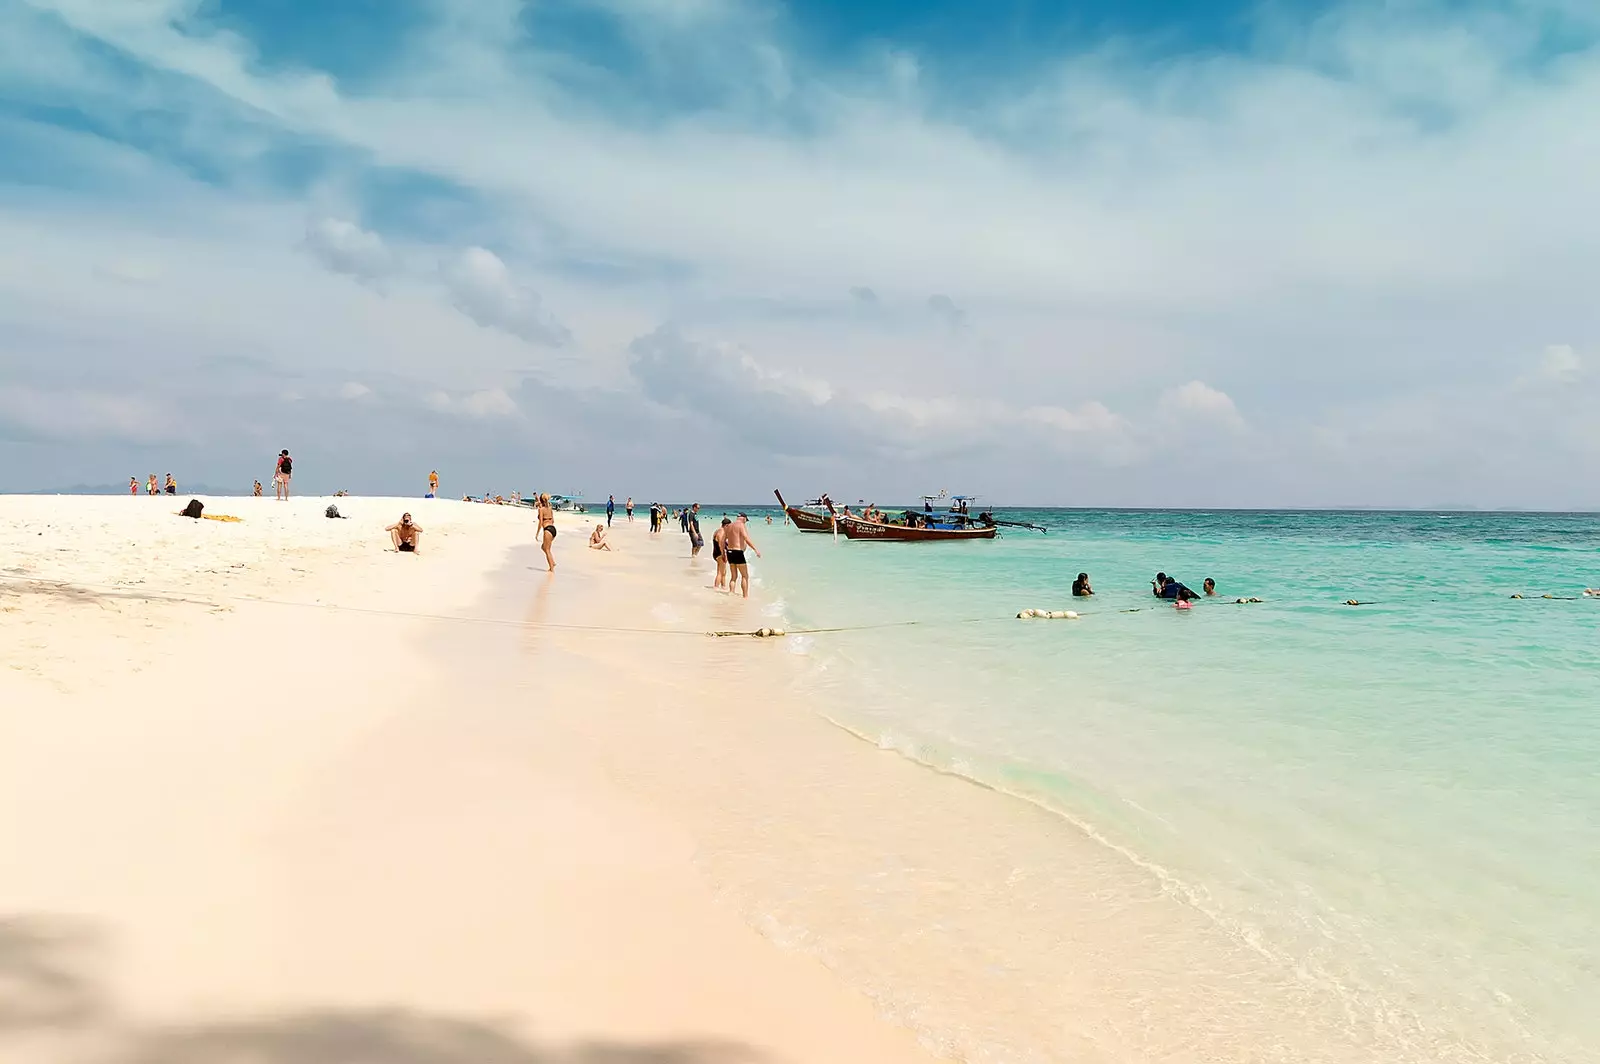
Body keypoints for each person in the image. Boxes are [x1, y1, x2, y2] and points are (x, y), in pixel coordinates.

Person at [723, 513, 761, 599]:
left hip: (729, 552)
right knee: (745, 576)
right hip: (738, 552)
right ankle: (745, 597)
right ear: (744, 518)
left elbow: (723, 540)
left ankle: (731, 593)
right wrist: (755, 549)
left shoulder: (729, 526)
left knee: (733, 576)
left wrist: (723, 552)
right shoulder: (741, 525)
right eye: (746, 521)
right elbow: (746, 538)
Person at [711, 517, 732, 590]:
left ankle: (723, 587)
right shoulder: (721, 532)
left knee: (723, 572)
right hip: (720, 554)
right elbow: (720, 544)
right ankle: (716, 588)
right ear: (726, 525)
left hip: (716, 553)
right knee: (720, 572)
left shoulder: (717, 531)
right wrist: (724, 555)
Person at [537, 492, 557, 571]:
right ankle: (552, 562)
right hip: (553, 529)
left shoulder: (541, 510)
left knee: (547, 549)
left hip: (547, 530)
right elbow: (553, 520)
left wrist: (537, 533)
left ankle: (551, 568)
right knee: (543, 547)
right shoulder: (550, 508)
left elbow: (540, 522)